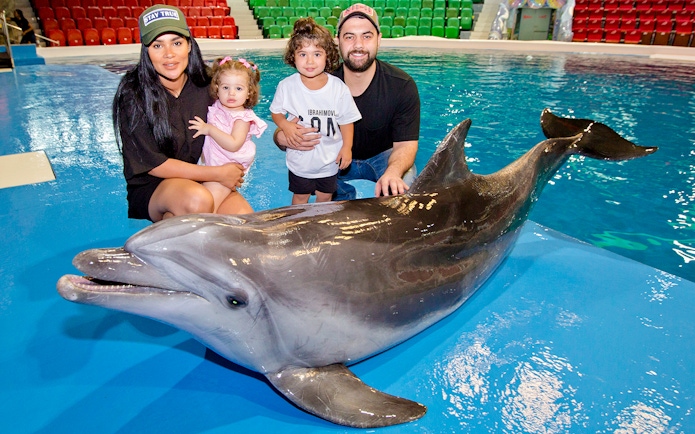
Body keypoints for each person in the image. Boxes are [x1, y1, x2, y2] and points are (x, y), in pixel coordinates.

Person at [273, 3, 420, 201]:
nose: (358, 45)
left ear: (379, 40)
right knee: (315, 190)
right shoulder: (318, 80)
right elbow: (285, 124)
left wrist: (393, 173)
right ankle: (342, 194)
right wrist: (285, 138)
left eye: (367, 36)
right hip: (333, 160)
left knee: (404, 186)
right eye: (349, 37)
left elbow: (406, 145)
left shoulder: (401, 85)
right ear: (338, 42)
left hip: (381, 159)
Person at [112, 5, 245, 222]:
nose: (169, 54)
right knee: (196, 200)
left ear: (189, 45)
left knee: (244, 224)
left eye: (176, 42)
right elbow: (153, 164)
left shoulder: (207, 85)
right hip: (154, 185)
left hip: (199, 176)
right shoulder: (133, 94)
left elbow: (239, 116)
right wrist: (219, 174)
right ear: (146, 51)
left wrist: (283, 134)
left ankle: (170, 224)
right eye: (158, 45)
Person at [270, 18, 361, 205]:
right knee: (300, 196)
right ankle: (295, 223)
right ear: (292, 56)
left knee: (325, 196)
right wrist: (285, 125)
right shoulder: (287, 86)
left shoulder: (338, 88)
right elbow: (276, 112)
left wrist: (346, 147)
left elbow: (346, 120)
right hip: (300, 161)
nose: (310, 61)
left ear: (327, 56)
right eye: (303, 54)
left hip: (329, 161)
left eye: (317, 54)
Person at [188, 56, 267, 214]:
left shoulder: (242, 118)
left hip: (227, 167)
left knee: (207, 210)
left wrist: (209, 129)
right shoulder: (218, 106)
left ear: (249, 93)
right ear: (216, 88)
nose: (231, 93)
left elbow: (233, 144)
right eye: (225, 88)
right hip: (213, 166)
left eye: (238, 89)